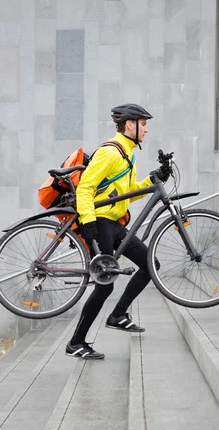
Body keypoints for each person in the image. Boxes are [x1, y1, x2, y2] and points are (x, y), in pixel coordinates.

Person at [65, 103, 170, 360]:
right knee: (104, 285)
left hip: (114, 223)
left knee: (149, 263)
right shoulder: (110, 153)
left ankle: (118, 315)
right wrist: (87, 223)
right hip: (99, 222)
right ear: (130, 124)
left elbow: (125, 193)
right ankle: (76, 343)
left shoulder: (127, 153)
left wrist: (153, 179)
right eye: (143, 123)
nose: (146, 129)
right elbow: (85, 188)